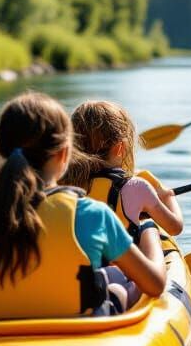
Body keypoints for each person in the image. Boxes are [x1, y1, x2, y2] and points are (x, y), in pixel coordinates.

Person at [0, 91, 167, 320]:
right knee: (115, 282)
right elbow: (155, 285)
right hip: (79, 339)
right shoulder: (94, 215)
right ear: (65, 154)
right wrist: (149, 232)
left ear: (1, 150)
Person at [64, 99, 184, 302]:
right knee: (148, 225)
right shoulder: (136, 187)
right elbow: (174, 227)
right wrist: (168, 197)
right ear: (120, 148)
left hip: (75, 278)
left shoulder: (63, 184)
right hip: (123, 276)